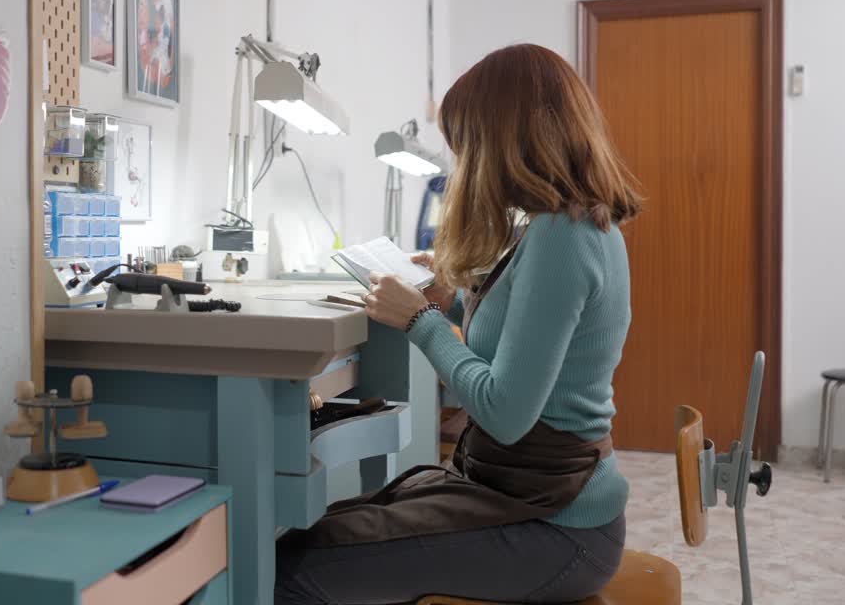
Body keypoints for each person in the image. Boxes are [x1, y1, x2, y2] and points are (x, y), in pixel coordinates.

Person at [275, 44, 644, 604]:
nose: (463, 163)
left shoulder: (560, 237)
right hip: (535, 498)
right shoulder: (574, 224)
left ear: (503, 140)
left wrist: (421, 320)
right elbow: (524, 339)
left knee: (293, 567)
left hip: (558, 526)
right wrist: (454, 299)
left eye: (467, 144)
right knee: (320, 532)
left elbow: (504, 411)